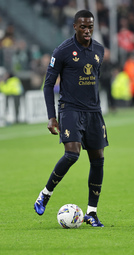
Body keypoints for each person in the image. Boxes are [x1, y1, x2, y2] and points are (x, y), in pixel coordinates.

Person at [34, 10, 108, 228]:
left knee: (98, 160)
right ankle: (45, 194)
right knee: (72, 154)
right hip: (70, 109)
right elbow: (48, 85)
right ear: (75, 26)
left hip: (94, 112)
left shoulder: (99, 50)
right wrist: (51, 117)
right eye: (83, 26)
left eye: (90, 27)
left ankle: (92, 213)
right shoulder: (63, 51)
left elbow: (95, 79)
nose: (87, 30)